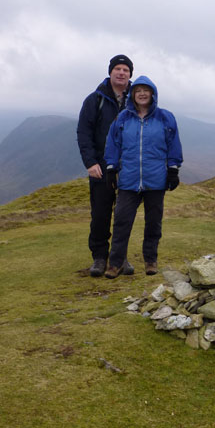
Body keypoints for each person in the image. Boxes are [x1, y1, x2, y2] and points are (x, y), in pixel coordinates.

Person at [103, 75, 183, 278]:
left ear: (153, 94)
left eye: (146, 90)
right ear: (132, 94)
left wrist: (173, 169)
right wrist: (111, 168)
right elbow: (113, 143)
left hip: (156, 179)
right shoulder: (122, 119)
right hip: (129, 180)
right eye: (138, 91)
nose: (142, 94)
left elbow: (173, 143)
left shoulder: (165, 118)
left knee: (153, 222)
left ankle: (150, 260)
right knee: (121, 221)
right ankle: (116, 263)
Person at [76, 54, 136, 277]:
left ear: (130, 74)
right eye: (118, 69)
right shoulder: (95, 100)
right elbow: (84, 133)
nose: (121, 73)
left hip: (128, 168)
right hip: (101, 167)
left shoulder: (137, 100)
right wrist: (90, 163)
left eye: (126, 70)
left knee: (124, 215)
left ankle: (120, 257)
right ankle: (99, 258)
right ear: (110, 72)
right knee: (100, 214)